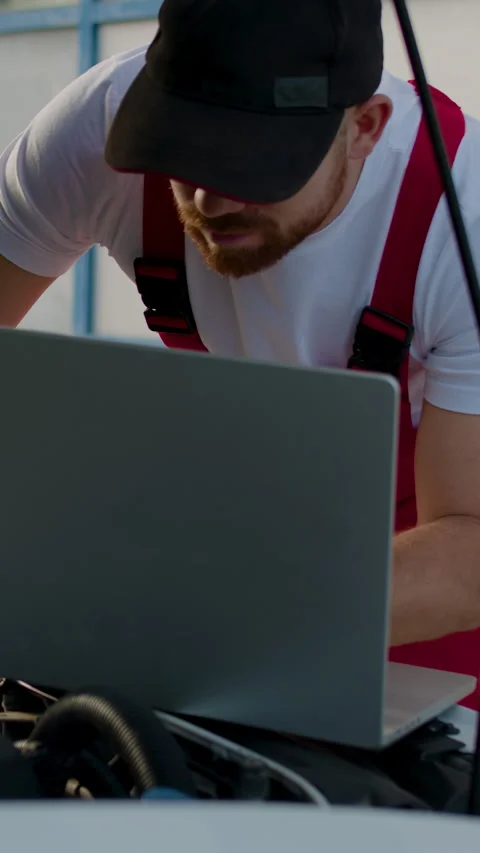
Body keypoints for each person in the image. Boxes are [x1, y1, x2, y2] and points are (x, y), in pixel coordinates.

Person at [1, 0, 480, 706]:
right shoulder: (92, 135)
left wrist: (213, 612)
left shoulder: (460, 217)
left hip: (410, 583)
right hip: (221, 533)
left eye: (253, 164)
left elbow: (469, 546)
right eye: (183, 148)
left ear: (365, 128)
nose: (207, 197)